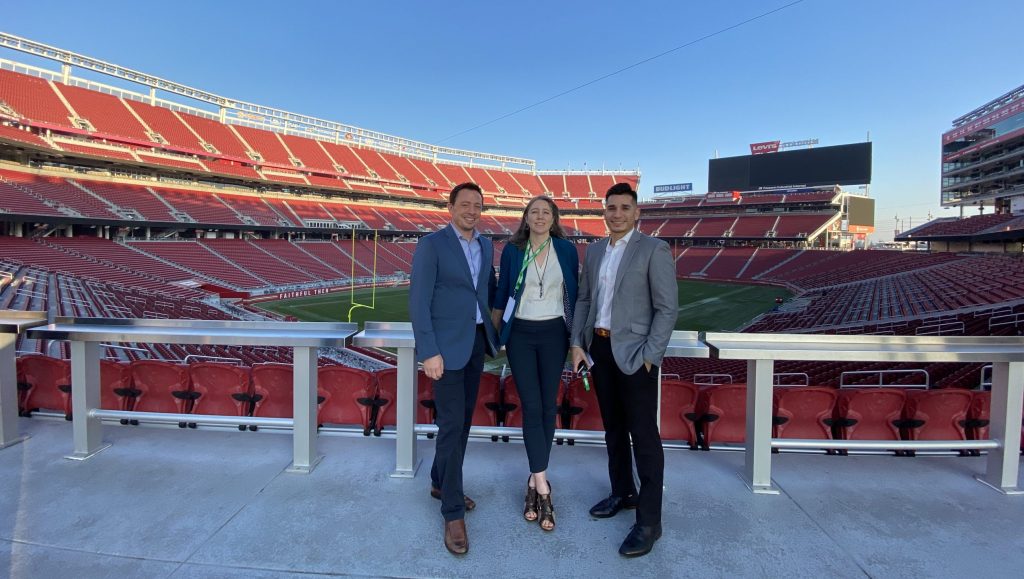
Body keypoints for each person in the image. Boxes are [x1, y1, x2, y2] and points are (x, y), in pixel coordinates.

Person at [570, 182, 678, 558]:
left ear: (636, 213)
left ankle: (650, 521)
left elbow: (667, 309)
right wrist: (577, 344)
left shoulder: (654, 249)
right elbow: (584, 299)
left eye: (624, 208)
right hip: (598, 348)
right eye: (611, 208)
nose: (616, 214)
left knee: (644, 437)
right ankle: (622, 492)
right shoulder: (596, 250)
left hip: (635, 355)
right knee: (613, 429)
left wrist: (651, 356)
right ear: (604, 212)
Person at [409, 182, 498, 556]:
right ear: (451, 207)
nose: (472, 211)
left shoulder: (486, 244)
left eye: (478, 205)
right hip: (444, 350)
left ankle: (438, 482)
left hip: (476, 342)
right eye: (465, 204)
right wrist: (429, 351)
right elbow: (418, 300)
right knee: (450, 425)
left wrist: (496, 329)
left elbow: (487, 290)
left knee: (461, 422)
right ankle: (453, 511)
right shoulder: (432, 245)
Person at [491, 196, 579, 532]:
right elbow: (501, 297)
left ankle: (533, 479)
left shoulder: (567, 250)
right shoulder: (513, 250)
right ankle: (543, 486)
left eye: (546, 212)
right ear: (526, 218)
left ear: (554, 218)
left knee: (547, 406)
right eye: (534, 212)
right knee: (531, 406)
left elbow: (576, 294)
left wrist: (576, 341)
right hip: (521, 335)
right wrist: (496, 336)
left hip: (556, 331)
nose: (540, 217)